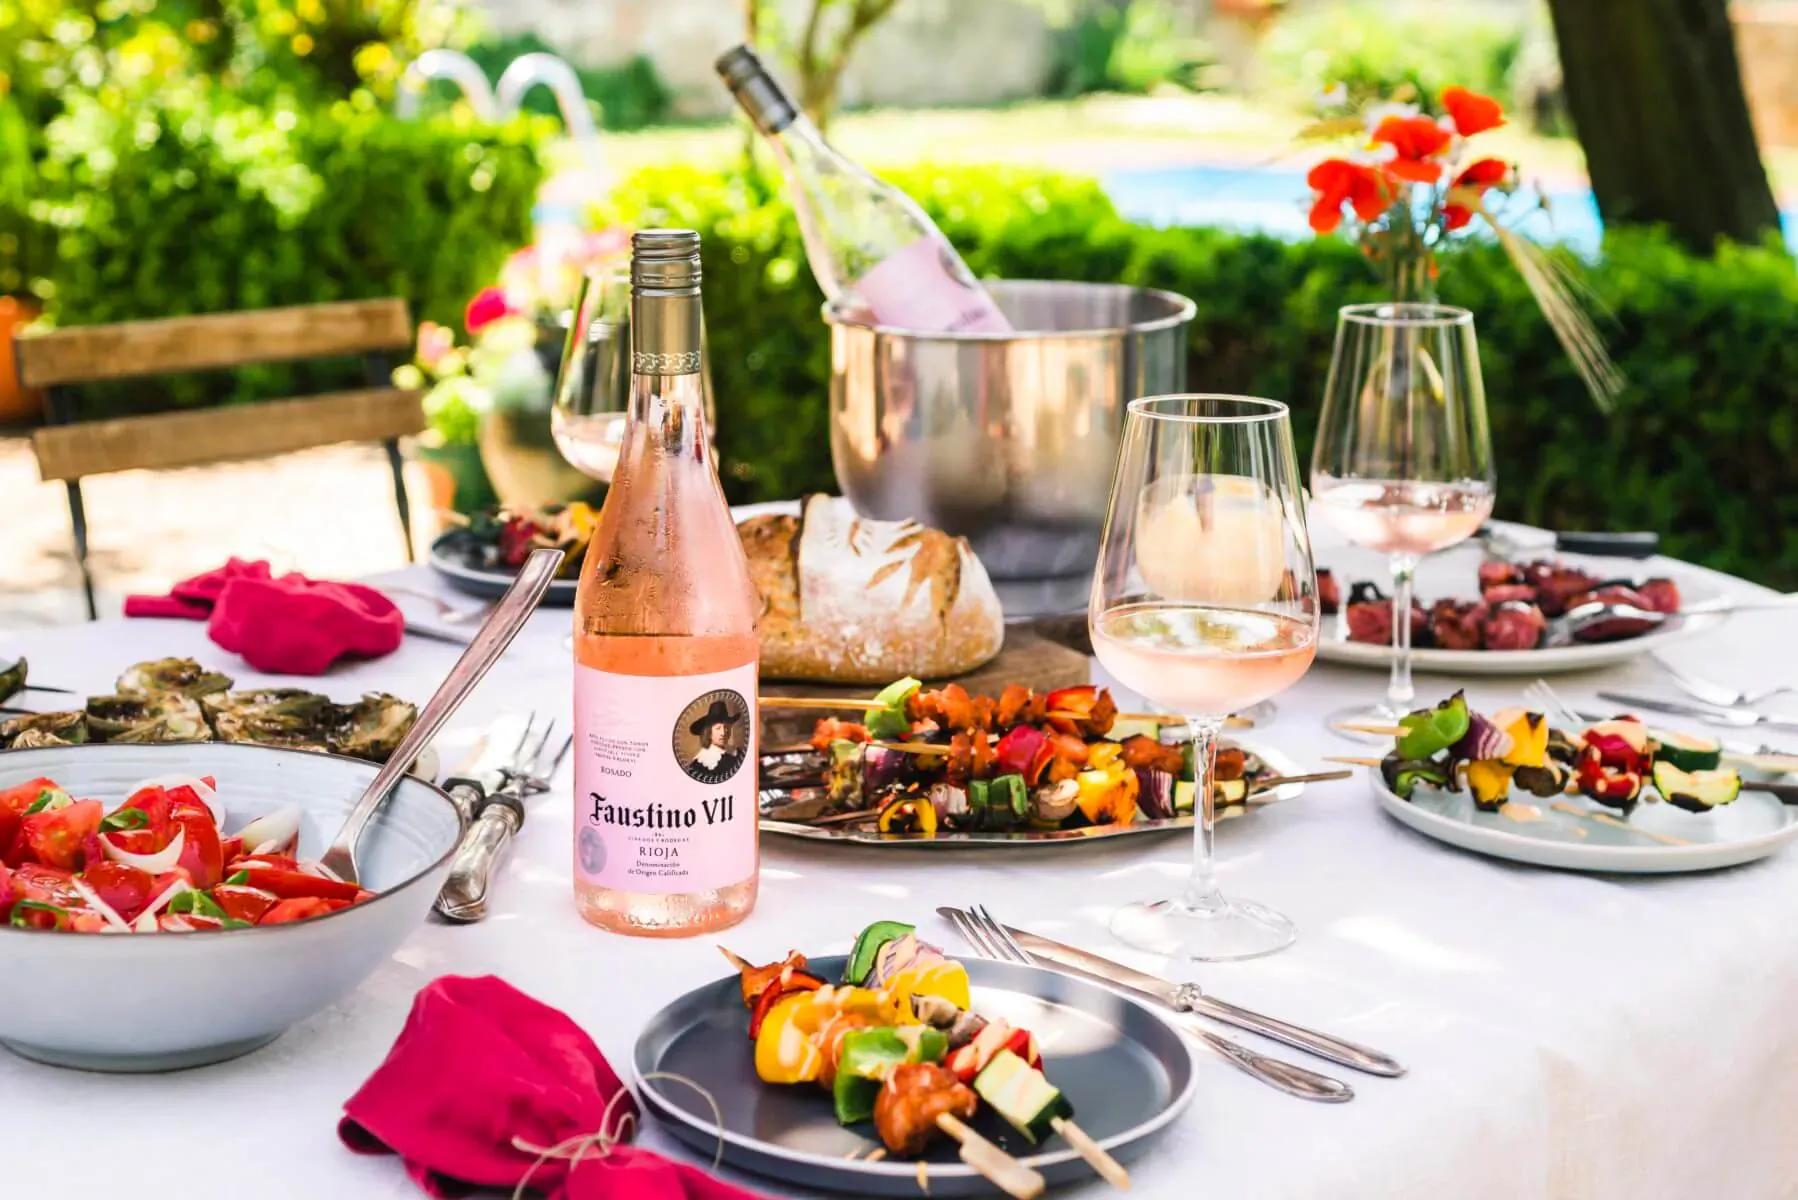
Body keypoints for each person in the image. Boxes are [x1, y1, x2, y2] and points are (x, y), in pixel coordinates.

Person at [686, 700, 743, 782]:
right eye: (718, 728)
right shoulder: (700, 764)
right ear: (708, 732)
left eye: (726, 727)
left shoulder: (737, 753)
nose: (723, 733)